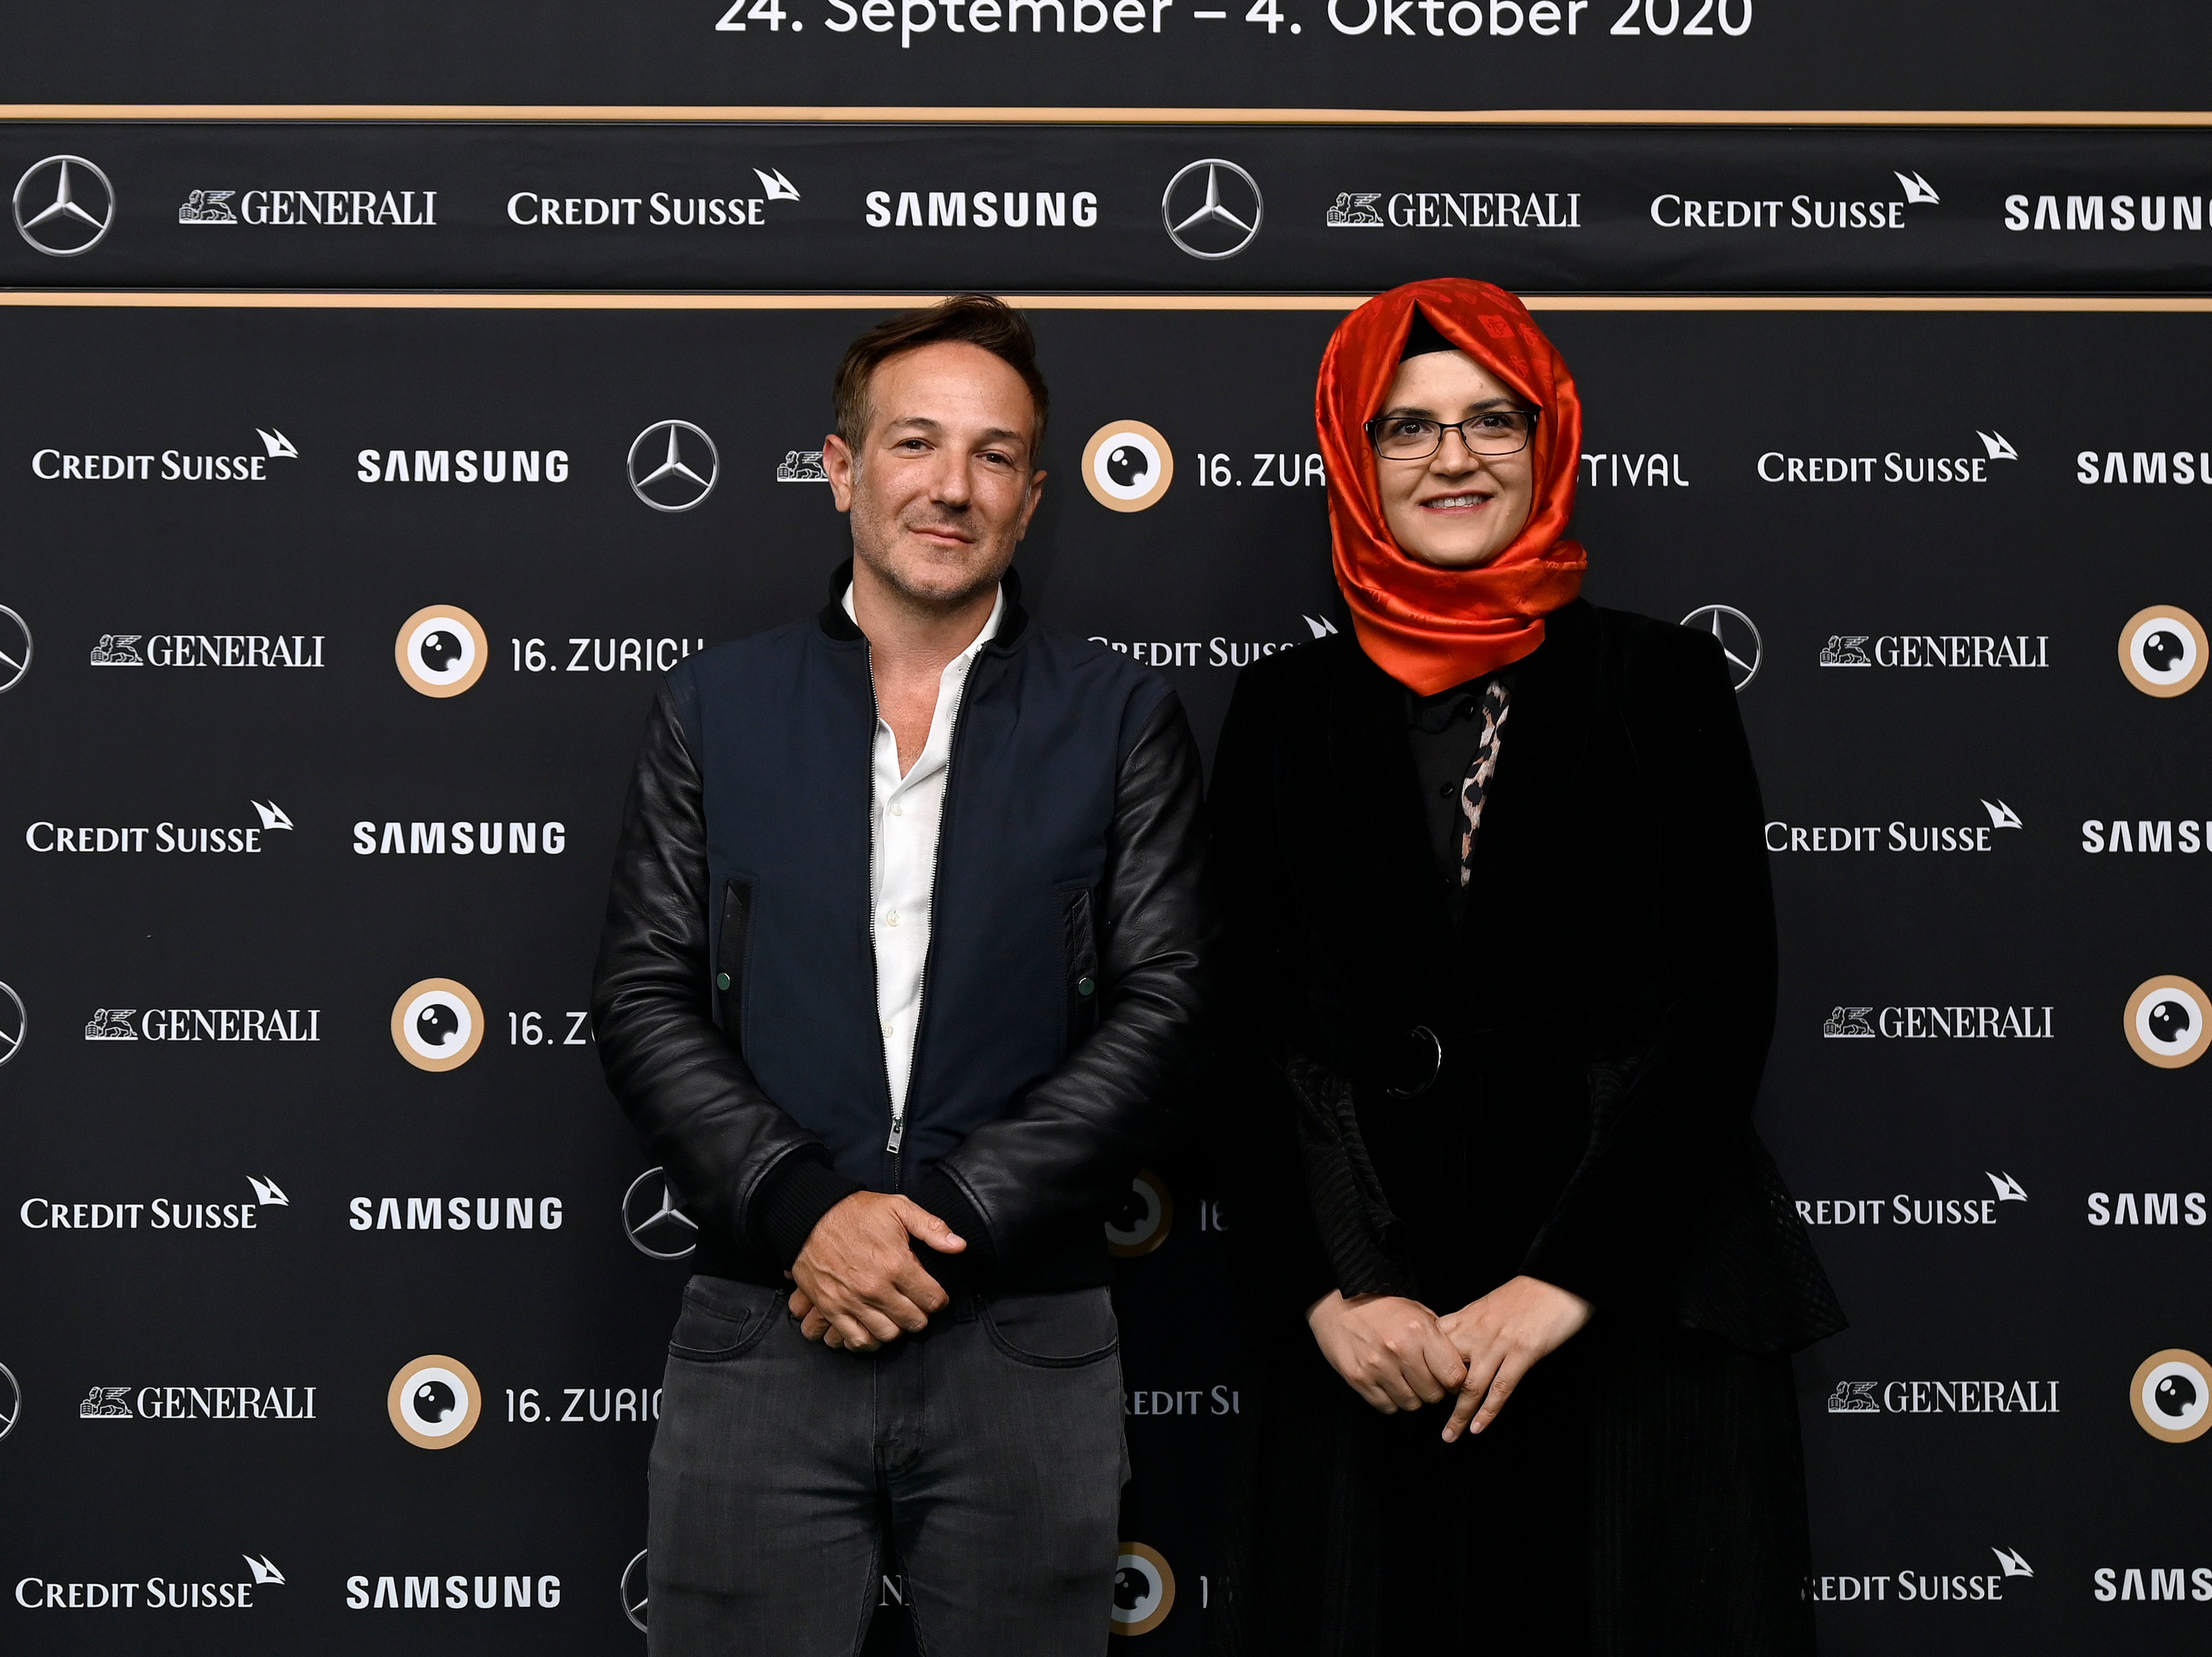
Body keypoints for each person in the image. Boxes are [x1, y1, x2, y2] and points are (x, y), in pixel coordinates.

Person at [1206, 278, 1844, 1654]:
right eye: (1408, 428)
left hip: (1631, 1312)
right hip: (1377, 1328)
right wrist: (1332, 1297)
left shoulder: (1661, 681)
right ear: (1353, 458)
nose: (1453, 458)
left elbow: (1719, 1007)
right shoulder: (1281, 707)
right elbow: (1235, 1026)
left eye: (1492, 420)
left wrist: (1562, 1282)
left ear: (1546, 444)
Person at [591, 294, 1210, 1655]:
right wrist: (808, 1209)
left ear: (1035, 496)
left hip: (1021, 1335)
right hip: (768, 1321)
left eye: (993, 455)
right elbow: (642, 991)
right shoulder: (715, 707)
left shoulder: (1116, 716)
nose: (951, 486)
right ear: (840, 468)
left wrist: (945, 1216)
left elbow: (1165, 1011)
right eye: (915, 443)